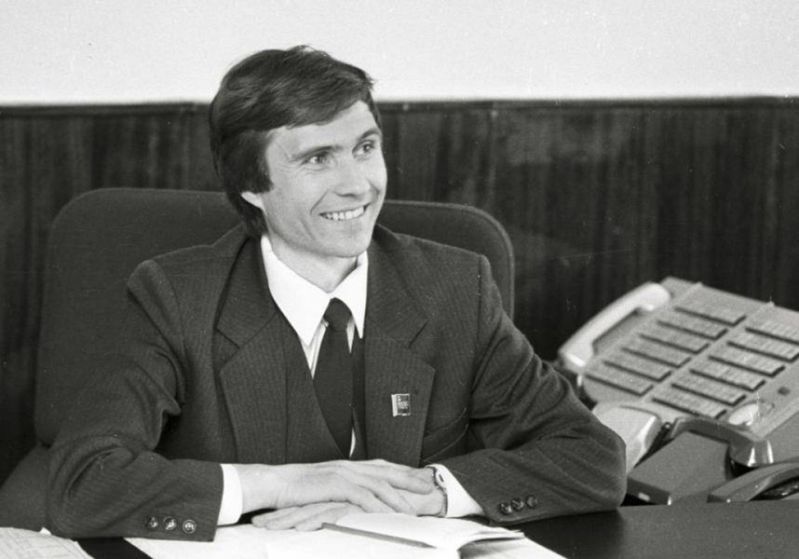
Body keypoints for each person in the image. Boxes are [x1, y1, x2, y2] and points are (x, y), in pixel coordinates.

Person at [46, 46, 626, 541]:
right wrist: (286, 483)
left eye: (365, 147)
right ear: (251, 186)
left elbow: (593, 457)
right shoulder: (176, 297)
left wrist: (430, 491)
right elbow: (82, 484)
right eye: (318, 159)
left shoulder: (455, 287)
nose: (358, 184)